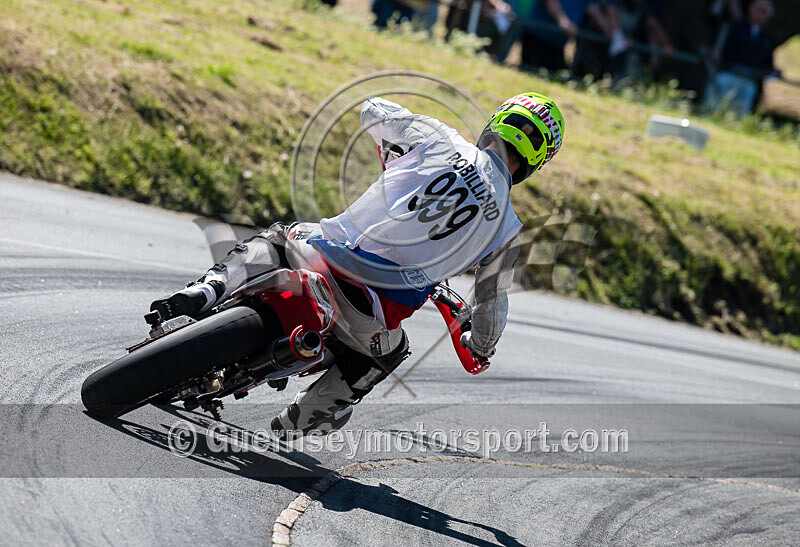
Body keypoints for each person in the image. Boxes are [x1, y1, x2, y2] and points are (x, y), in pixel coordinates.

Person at [150, 93, 565, 439]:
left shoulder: (440, 138)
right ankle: (301, 418)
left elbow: (373, 108)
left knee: (277, 237)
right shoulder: (507, 230)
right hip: (369, 316)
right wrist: (481, 347)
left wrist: (392, 146)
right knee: (391, 352)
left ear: (496, 121)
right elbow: (492, 308)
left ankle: (205, 291)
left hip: (320, 255)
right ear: (537, 161)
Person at [704, 0, 777, 114]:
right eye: (760, 10)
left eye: (767, 12)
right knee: (713, 110)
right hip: (726, 76)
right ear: (750, 9)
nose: (763, 14)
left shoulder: (767, 39)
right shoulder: (733, 27)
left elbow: (767, 64)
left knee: (739, 115)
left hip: (748, 81)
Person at [520, 0, 615, 72]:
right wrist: (563, 21)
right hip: (538, 35)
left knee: (555, 77)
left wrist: (612, 32)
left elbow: (592, 9)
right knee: (532, 73)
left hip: (558, 43)